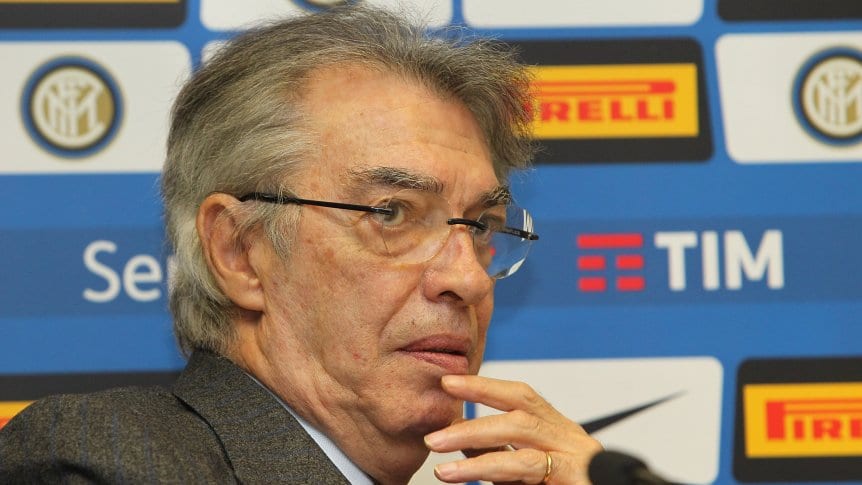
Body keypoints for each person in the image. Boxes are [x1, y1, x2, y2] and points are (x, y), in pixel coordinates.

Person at [0, 5, 601, 484]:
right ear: (240, 252)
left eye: (481, 225)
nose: (467, 279)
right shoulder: (114, 461)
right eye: (392, 213)